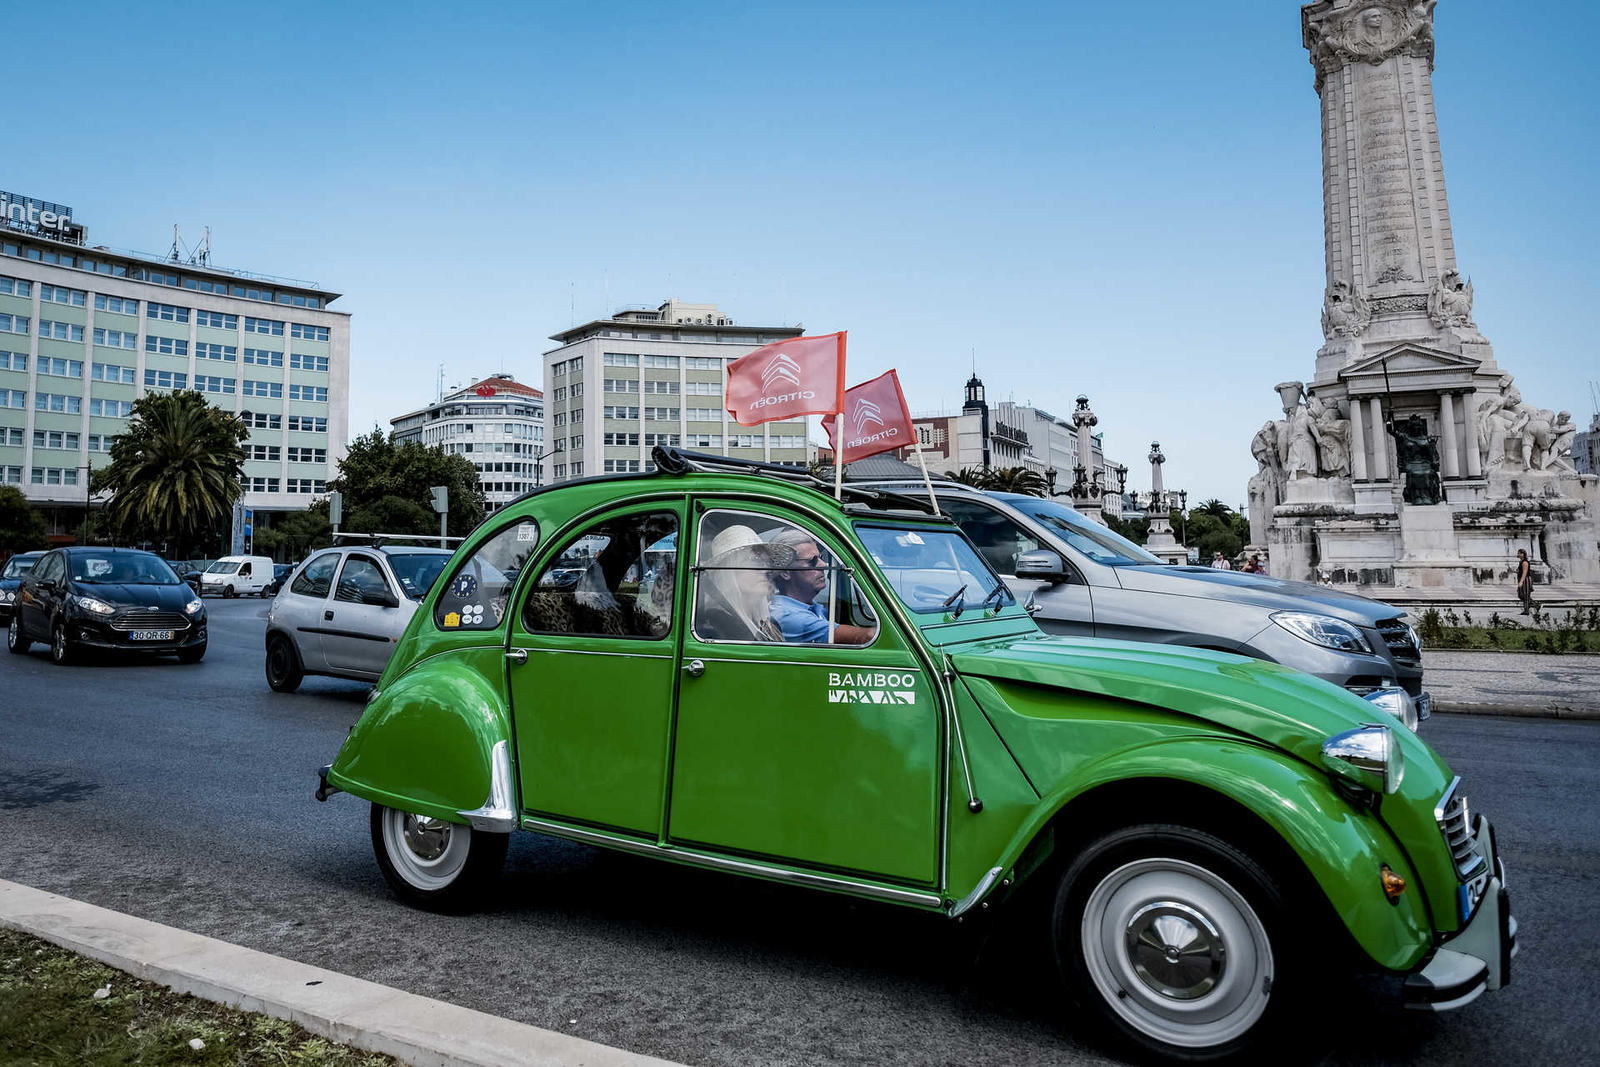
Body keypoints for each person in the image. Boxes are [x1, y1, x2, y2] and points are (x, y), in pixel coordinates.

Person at [768, 528, 876, 645]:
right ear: (786, 573)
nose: (824, 564)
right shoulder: (788, 615)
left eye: (821, 558)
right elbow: (866, 637)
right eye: (812, 561)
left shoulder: (807, 607)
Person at [1516, 549, 1535, 616]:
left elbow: (1525, 573)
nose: (1517, 554)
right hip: (1522, 579)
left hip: (1525, 580)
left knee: (1526, 595)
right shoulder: (1521, 562)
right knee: (1521, 595)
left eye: (1519, 553)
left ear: (1522, 554)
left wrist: (1521, 581)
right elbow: (1521, 571)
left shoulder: (1525, 562)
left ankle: (1526, 610)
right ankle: (1535, 604)